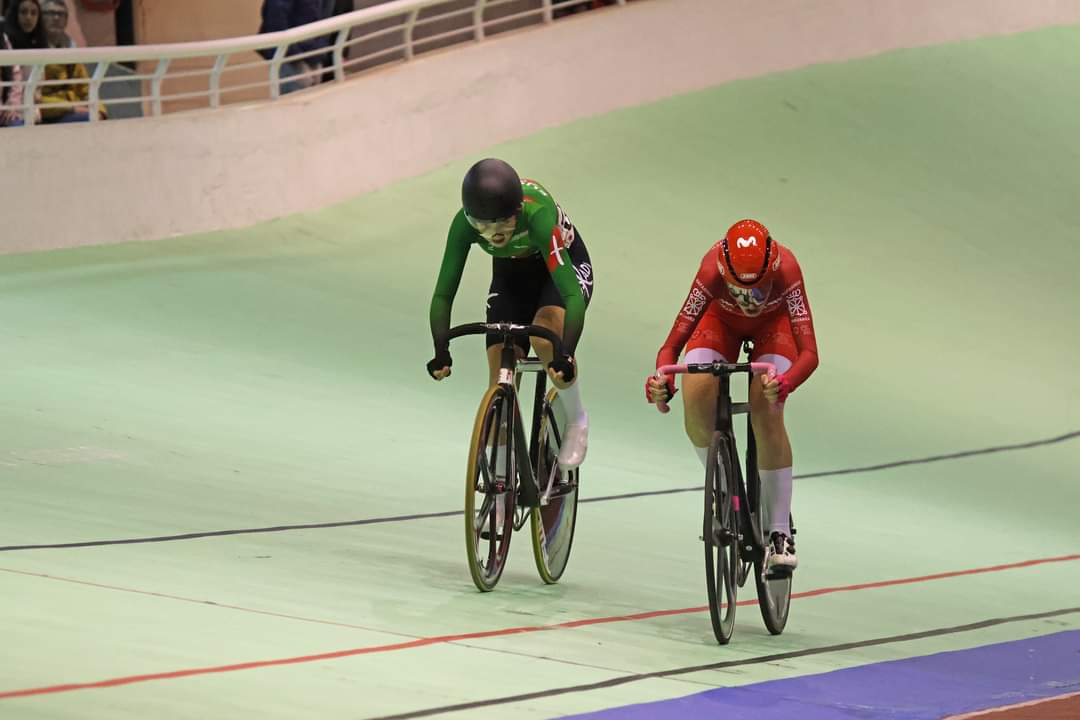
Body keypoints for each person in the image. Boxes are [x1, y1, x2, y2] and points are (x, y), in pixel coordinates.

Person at [646, 219, 818, 571]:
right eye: (739, 290)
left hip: (775, 328)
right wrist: (663, 382)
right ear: (724, 274)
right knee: (697, 404)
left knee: (766, 407)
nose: (749, 300)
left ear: (773, 271)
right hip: (718, 323)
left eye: (760, 290)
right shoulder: (710, 270)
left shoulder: (788, 269)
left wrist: (785, 384)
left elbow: (809, 354)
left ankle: (780, 532)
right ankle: (723, 486)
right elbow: (670, 348)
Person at [427, 158, 594, 470]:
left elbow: (571, 295)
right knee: (500, 368)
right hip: (511, 276)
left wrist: (566, 353)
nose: (495, 235)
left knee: (544, 337)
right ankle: (502, 485)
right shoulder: (463, 226)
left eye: (502, 223)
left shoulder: (539, 218)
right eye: (483, 227)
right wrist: (441, 348)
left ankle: (577, 419)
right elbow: (443, 293)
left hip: (559, 270)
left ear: (517, 212)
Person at [37, 0, 104, 123]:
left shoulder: (70, 48)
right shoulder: (32, 48)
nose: (56, 18)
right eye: (50, 13)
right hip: (50, 113)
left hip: (74, 108)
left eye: (61, 14)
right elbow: (35, 96)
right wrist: (72, 108)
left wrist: (100, 110)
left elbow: (85, 87)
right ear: (40, 18)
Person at [257, 0, 331, 95]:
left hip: (311, 56)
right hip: (289, 59)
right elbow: (276, 26)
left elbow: (320, 19)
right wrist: (299, 63)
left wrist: (317, 57)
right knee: (294, 102)